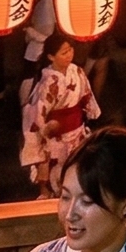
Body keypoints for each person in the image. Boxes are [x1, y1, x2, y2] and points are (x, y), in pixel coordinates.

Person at [24, 35, 98, 189]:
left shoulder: (77, 71)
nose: (69, 54)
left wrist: (91, 112)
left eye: (70, 50)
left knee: (78, 169)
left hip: (77, 130)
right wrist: (46, 129)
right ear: (51, 56)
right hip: (56, 135)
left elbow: (86, 95)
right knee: (57, 174)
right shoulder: (47, 82)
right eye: (64, 52)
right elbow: (36, 112)